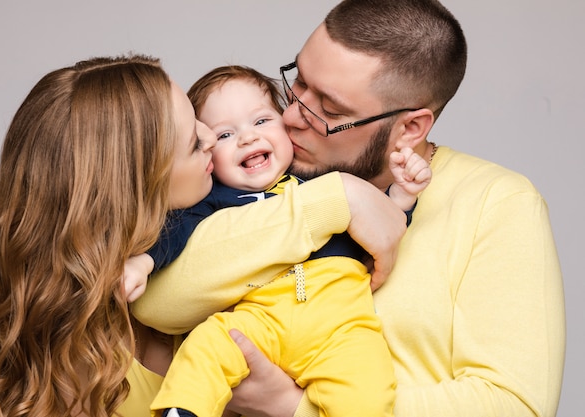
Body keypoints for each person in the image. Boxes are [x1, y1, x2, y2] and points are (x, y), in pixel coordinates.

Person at [137, 1, 566, 416]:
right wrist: (334, 199)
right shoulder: (263, 179)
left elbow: (517, 406)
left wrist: (294, 409)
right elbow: (157, 304)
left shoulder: (499, 204)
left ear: (410, 127)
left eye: (328, 108)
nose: (291, 116)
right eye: (297, 82)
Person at [0, 54, 407, 416]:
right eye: (194, 142)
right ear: (138, 186)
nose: (213, 138)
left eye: (198, 121)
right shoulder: (82, 356)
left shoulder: (235, 247)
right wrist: (341, 197)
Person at [127, 65, 430, 417]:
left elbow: (380, 229)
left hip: (341, 325)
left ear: (286, 127)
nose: (247, 139)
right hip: (259, 319)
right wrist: (144, 261)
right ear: (206, 151)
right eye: (224, 135)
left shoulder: (325, 182)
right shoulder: (210, 201)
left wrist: (402, 197)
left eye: (260, 122)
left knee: (370, 392)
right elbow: (172, 234)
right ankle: (182, 410)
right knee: (208, 345)